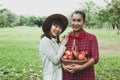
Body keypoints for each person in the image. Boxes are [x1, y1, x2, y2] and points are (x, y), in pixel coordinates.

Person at [62, 10, 99, 80]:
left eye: (79, 20)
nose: (75, 23)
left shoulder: (91, 38)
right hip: (68, 76)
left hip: (86, 76)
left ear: (83, 22)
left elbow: (95, 58)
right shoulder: (66, 38)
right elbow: (60, 56)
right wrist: (63, 66)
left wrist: (81, 67)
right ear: (71, 21)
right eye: (73, 20)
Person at [39, 14, 69, 80]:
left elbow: (60, 55)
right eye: (55, 26)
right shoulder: (45, 41)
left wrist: (60, 44)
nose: (58, 29)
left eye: (60, 27)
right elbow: (56, 60)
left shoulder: (54, 41)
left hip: (58, 75)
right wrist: (63, 45)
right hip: (51, 76)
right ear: (49, 25)